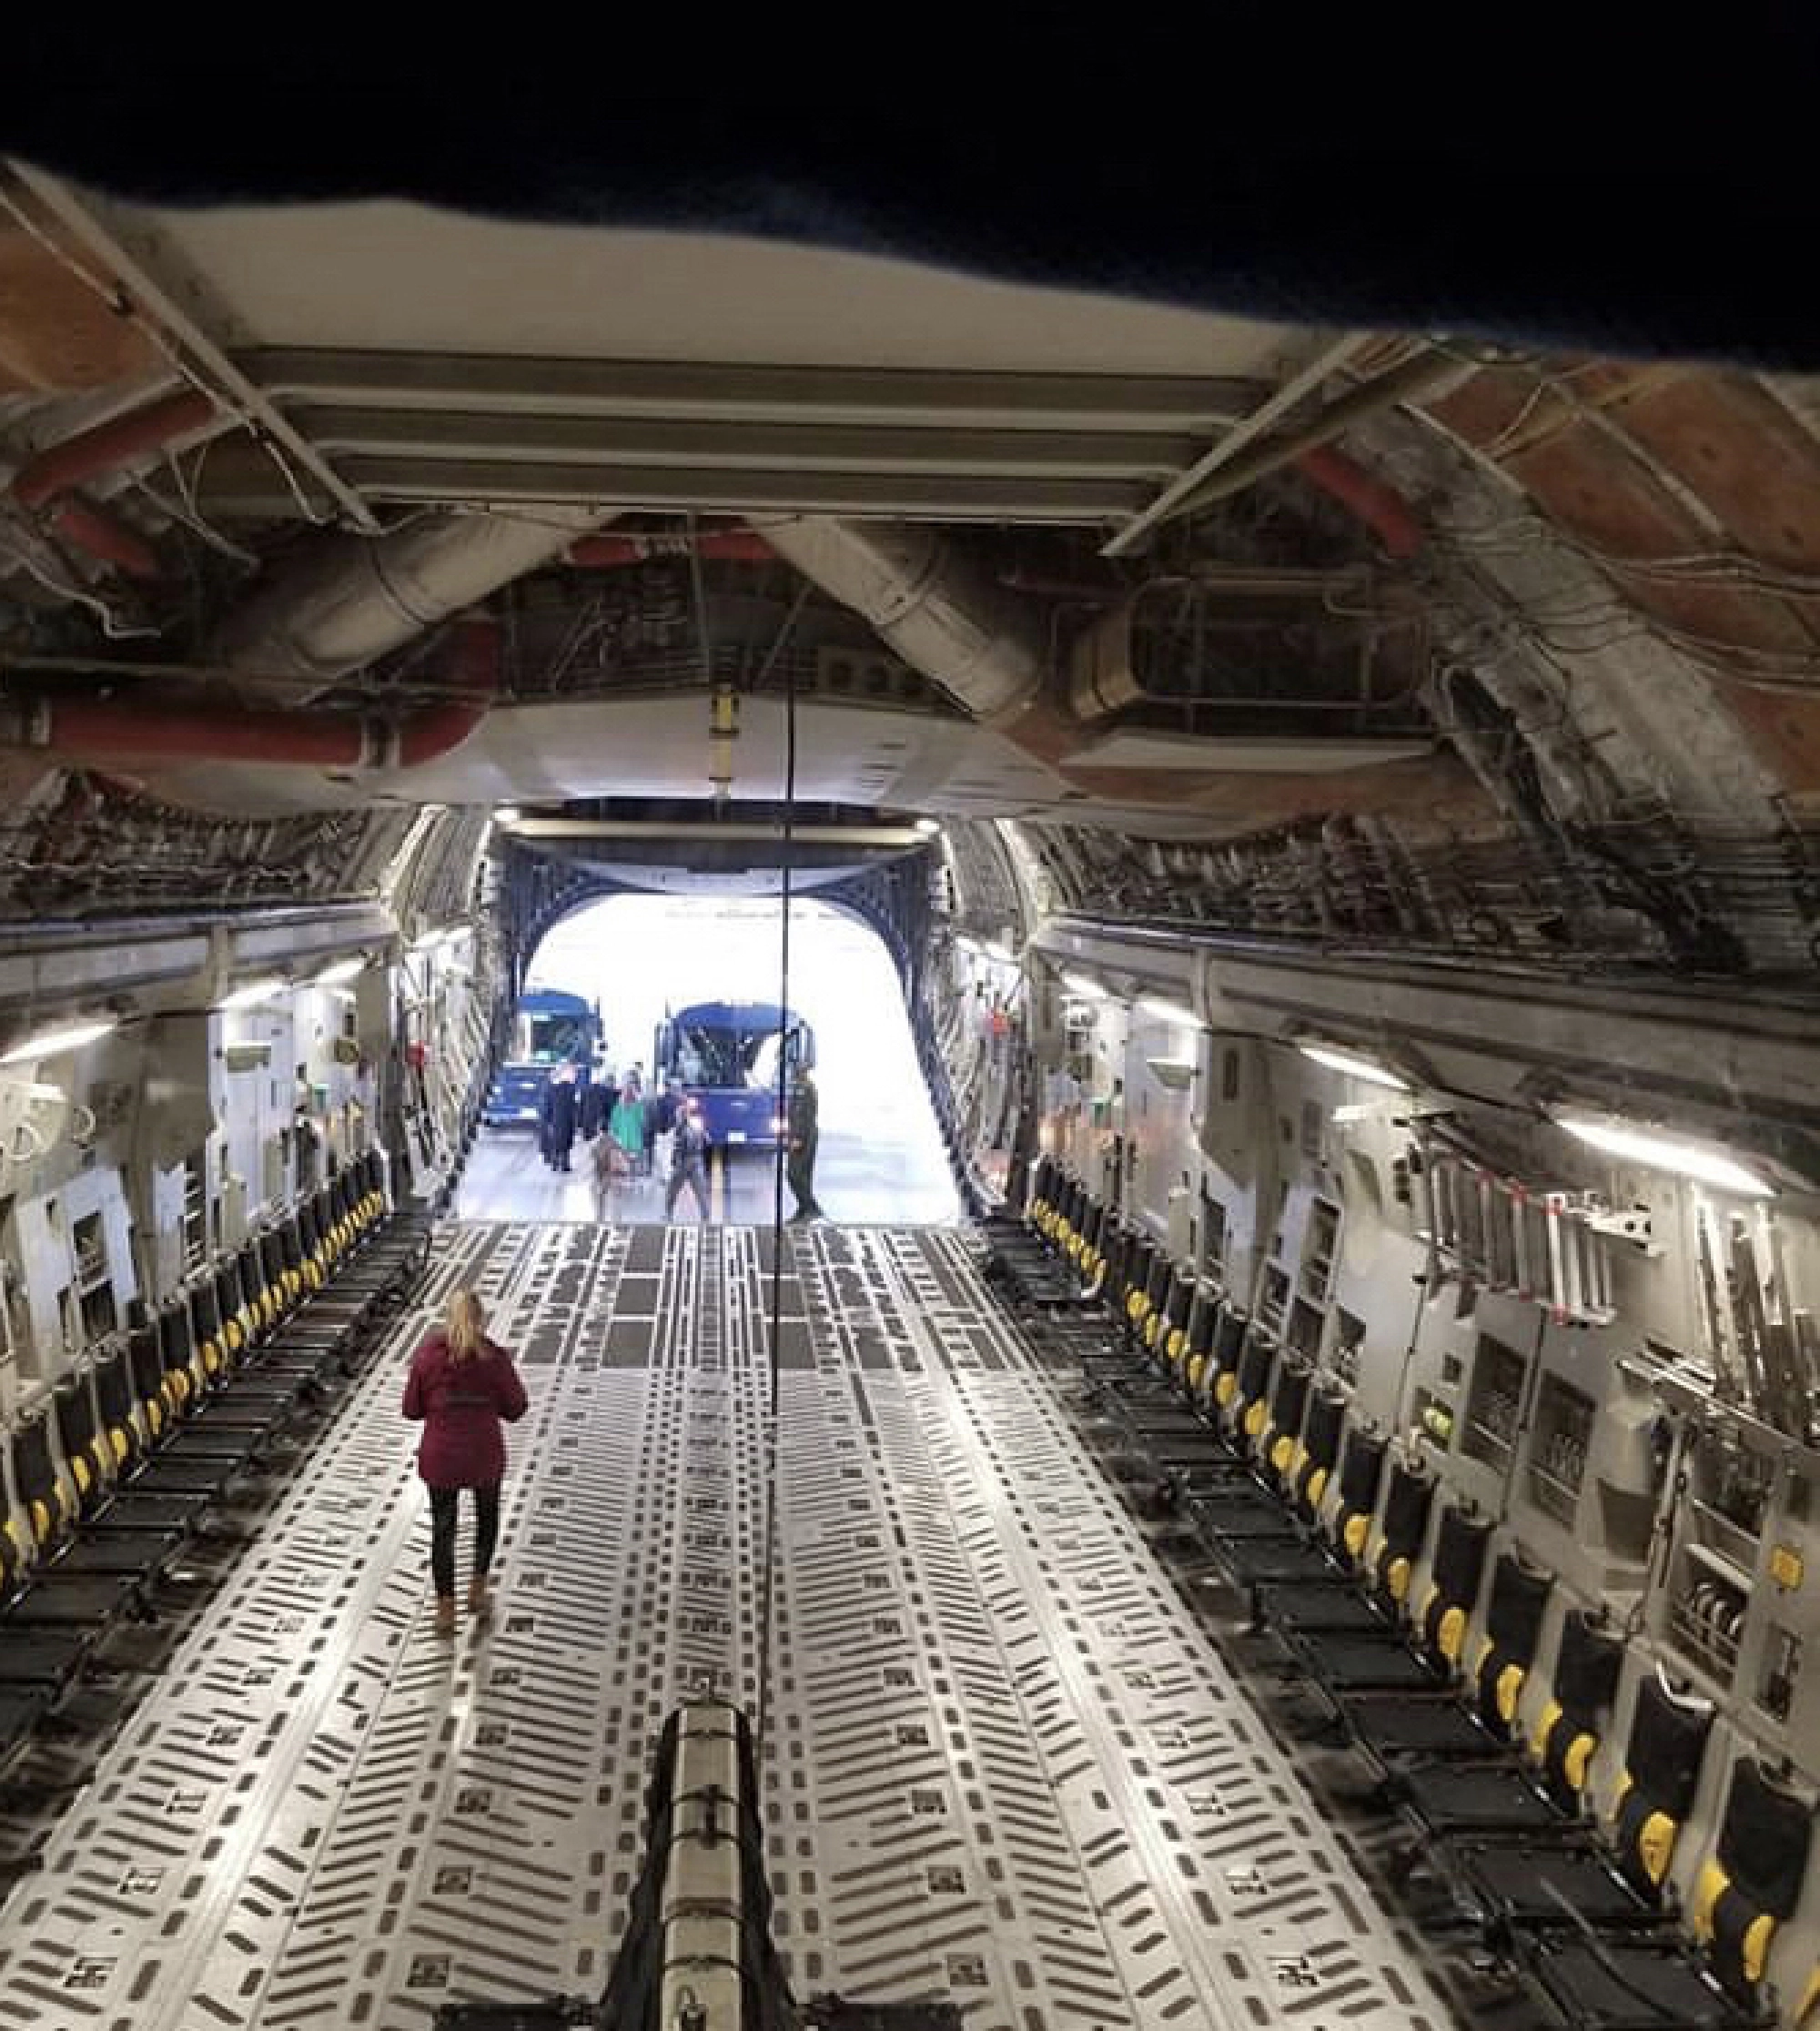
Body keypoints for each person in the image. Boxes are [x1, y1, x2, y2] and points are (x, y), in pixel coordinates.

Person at [401, 1289, 528, 1634]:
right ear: (481, 1319)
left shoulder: (428, 1357)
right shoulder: (494, 1359)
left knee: (443, 1530)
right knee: (486, 1521)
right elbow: (516, 1408)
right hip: (483, 1456)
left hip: (441, 1458)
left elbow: (411, 1409)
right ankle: (477, 1591)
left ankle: (445, 1608)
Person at [664, 1095, 712, 1222]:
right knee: (673, 1188)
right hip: (682, 1158)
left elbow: (703, 1137)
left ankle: (705, 1215)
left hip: (694, 1158)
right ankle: (668, 1213)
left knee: (700, 1189)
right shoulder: (679, 1118)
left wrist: (700, 1132)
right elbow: (677, 1133)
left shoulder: (696, 1121)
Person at [785, 1066, 823, 1223]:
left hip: (804, 1136)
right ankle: (805, 1209)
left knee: (794, 1173)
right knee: (802, 1175)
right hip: (807, 1134)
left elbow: (801, 1115)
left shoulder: (804, 1088)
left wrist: (798, 1137)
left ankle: (811, 1208)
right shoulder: (804, 1087)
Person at [609, 1070, 647, 1180]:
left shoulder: (620, 1107)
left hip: (626, 1137)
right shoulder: (635, 1106)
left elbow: (614, 1123)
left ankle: (629, 1174)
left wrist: (614, 1133)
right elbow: (642, 1120)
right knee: (630, 1158)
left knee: (628, 1157)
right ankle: (630, 1174)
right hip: (632, 1138)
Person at [544, 1062, 580, 1172]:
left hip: (555, 1119)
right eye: (573, 1073)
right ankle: (564, 1163)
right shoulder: (573, 1090)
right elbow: (576, 1107)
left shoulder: (553, 1089)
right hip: (568, 1119)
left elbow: (547, 1106)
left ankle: (555, 1162)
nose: (575, 1076)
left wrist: (548, 1120)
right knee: (567, 1141)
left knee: (557, 1140)